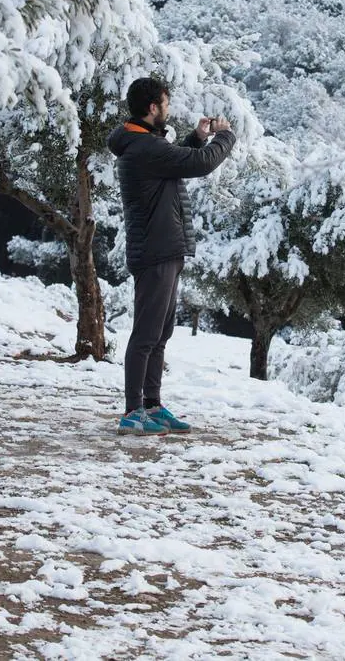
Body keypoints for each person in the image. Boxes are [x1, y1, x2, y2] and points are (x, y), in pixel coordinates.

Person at [106, 77, 236, 436]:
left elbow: (176, 162)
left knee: (160, 333)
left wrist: (197, 138)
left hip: (165, 249)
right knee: (146, 334)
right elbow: (199, 164)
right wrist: (224, 137)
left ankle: (152, 405)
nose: (168, 109)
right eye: (165, 103)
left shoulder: (143, 145)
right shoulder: (143, 148)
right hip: (155, 251)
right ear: (152, 108)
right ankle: (133, 411)